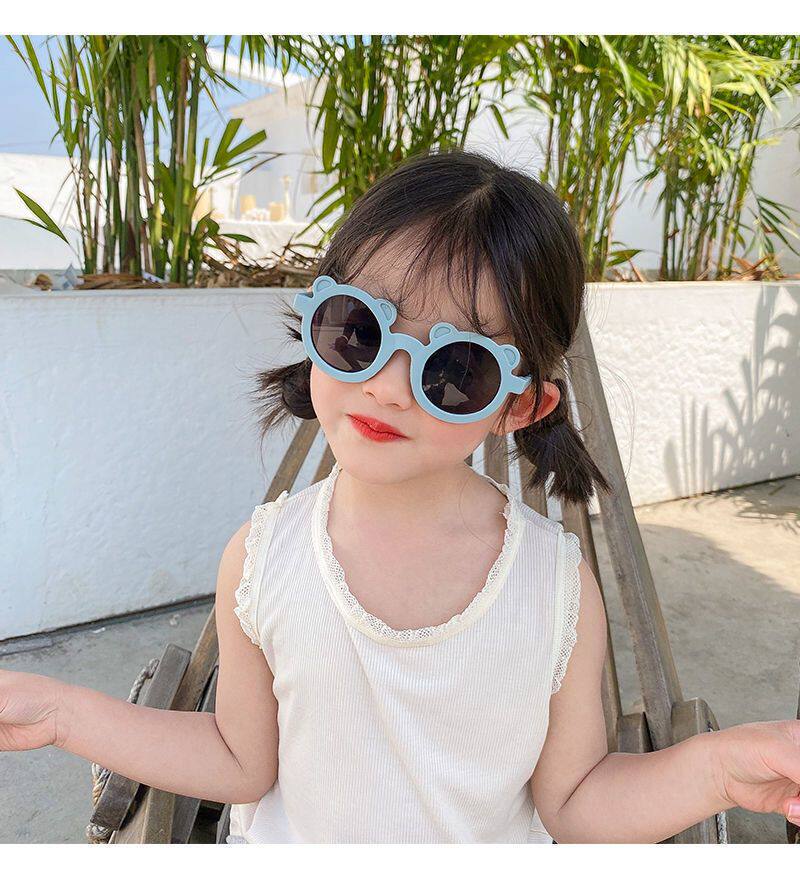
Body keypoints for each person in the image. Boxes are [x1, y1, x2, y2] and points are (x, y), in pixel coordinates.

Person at [1, 149, 798, 844]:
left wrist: (720, 771)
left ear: (519, 407)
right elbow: (240, 760)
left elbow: (576, 803)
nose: (387, 387)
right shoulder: (264, 558)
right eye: (359, 330)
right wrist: (62, 714)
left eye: (455, 369)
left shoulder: (555, 587)